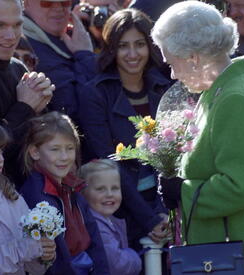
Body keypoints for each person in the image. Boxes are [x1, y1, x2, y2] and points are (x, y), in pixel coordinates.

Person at [152, 0, 244, 272]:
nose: (172, 73)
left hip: (237, 251)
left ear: (193, 57)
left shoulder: (235, 98)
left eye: (171, 62)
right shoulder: (221, 88)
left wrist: (182, 191)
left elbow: (240, 185)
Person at [79, 8, 170, 256]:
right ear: (111, 49)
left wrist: (163, 212)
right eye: (123, 46)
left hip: (164, 207)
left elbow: (171, 159)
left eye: (139, 44)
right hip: (121, 211)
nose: (132, 54)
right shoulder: (94, 94)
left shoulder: (165, 88)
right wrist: (149, 219)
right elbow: (111, 163)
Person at [0, 0, 55, 188]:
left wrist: (44, 108)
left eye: (17, 24)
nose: (11, 36)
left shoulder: (18, 68)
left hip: (30, 194)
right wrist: (25, 108)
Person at [20, 111, 110, 275]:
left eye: (69, 148)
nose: (64, 157)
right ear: (35, 152)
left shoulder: (71, 184)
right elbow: (57, 260)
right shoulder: (37, 195)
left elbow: (94, 238)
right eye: (55, 149)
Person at [0, 110, 56, 275]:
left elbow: (31, 265)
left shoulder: (9, 193)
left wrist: (42, 255)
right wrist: (27, 248)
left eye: (1, 151)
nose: (0, 159)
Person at [23, 0, 95, 123]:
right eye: (47, 3)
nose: (58, 8)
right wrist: (85, 56)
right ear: (26, 3)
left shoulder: (73, 36)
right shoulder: (27, 48)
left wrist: (99, 36)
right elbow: (76, 112)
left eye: (65, 2)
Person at [80, 159, 142, 275]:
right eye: (100, 189)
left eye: (115, 188)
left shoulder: (108, 220)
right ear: (83, 193)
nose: (109, 194)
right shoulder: (97, 226)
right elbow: (117, 265)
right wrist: (134, 257)